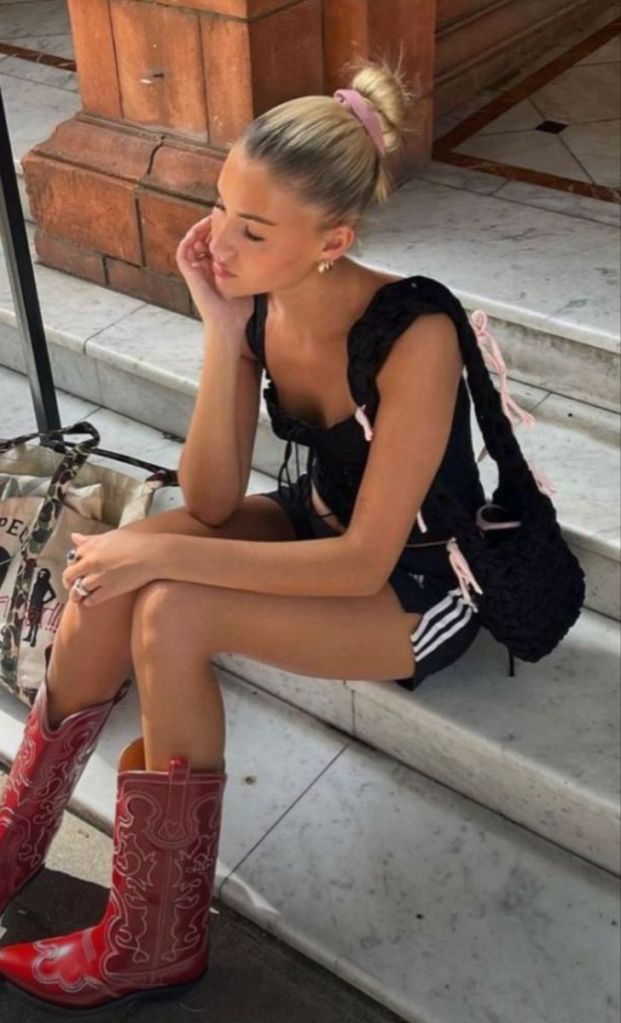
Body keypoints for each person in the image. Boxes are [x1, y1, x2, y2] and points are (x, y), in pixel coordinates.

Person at [0, 61, 486, 1011]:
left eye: (252, 229)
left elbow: (363, 564)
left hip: (425, 582)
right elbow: (217, 499)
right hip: (315, 523)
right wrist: (222, 330)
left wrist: (159, 548)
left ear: (331, 241)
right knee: (110, 583)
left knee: (169, 604)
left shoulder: (416, 330)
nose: (218, 238)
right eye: (220, 204)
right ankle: (17, 843)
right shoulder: (258, 298)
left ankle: (154, 940)